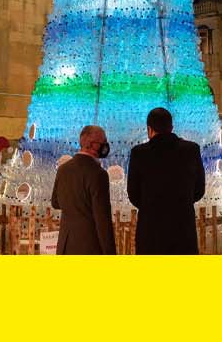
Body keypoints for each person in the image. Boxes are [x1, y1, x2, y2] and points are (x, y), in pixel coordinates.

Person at [126, 106, 206, 254]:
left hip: (151, 230)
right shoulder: (191, 150)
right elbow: (200, 190)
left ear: (149, 129)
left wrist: (151, 206)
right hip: (182, 228)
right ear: (171, 127)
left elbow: (133, 194)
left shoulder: (139, 153)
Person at [52, 125, 117, 254]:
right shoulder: (99, 174)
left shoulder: (63, 169)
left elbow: (55, 202)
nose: (106, 146)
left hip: (65, 246)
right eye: (103, 142)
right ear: (91, 145)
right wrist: (110, 253)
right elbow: (102, 220)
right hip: (89, 247)